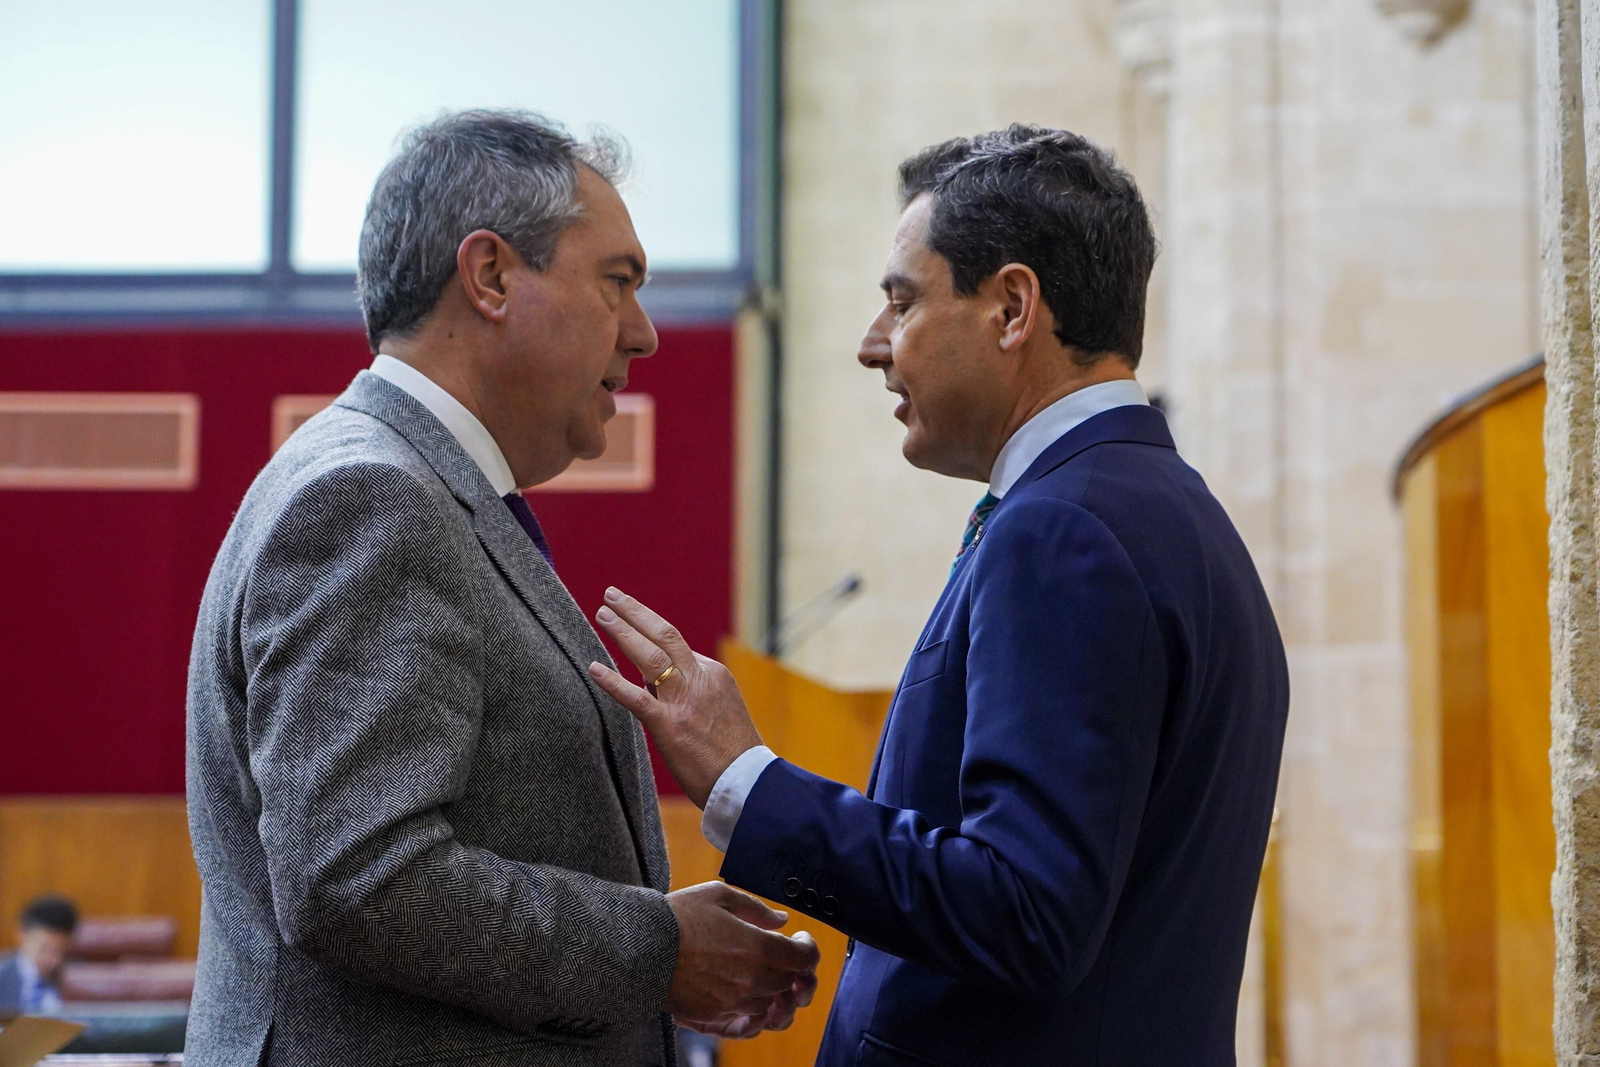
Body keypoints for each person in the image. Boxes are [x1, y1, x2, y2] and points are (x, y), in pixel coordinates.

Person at [589, 125, 1290, 1066]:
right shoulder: (1169, 510)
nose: (873, 345)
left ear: (1011, 307)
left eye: (901, 301)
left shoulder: (1062, 532)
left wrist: (745, 778)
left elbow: (1028, 912)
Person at [186, 110, 818, 1067]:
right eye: (618, 282)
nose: (644, 334)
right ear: (489, 276)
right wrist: (658, 950)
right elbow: (361, 882)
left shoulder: (404, 483)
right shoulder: (374, 496)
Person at [0, 895, 77, 1016]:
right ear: (21, 936)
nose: (54, 960)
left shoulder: (79, 978)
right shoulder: (2, 975)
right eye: (45, 949)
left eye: (62, 951)